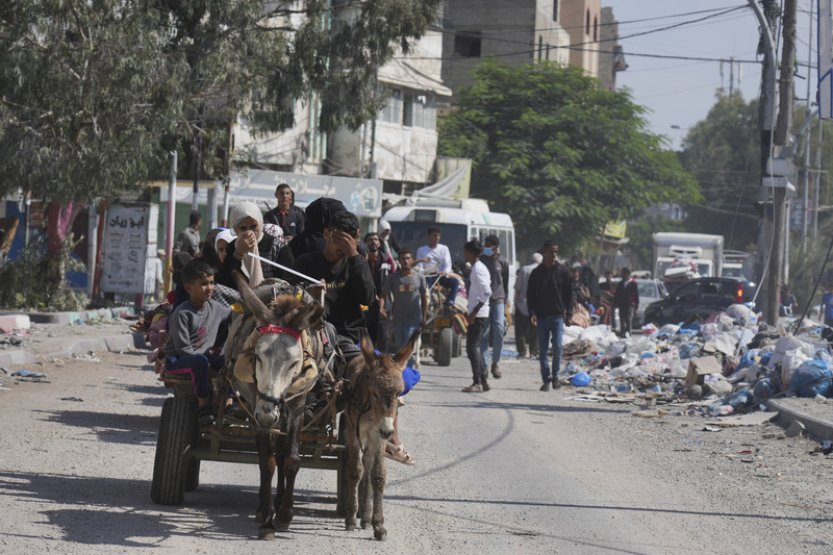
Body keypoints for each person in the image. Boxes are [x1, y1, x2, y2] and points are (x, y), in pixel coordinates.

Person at [294, 210, 375, 351]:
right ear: (326, 234)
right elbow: (293, 298)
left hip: (347, 338)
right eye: (338, 240)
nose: (342, 247)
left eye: (347, 241)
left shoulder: (357, 263)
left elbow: (368, 299)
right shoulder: (305, 263)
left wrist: (353, 255)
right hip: (310, 336)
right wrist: (309, 294)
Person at [163, 260, 231, 425]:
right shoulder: (182, 313)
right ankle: (204, 403)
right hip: (179, 360)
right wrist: (208, 368)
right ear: (188, 288)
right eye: (203, 284)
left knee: (228, 361)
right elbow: (183, 349)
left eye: (211, 283)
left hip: (205, 358)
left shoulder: (216, 307)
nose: (210, 288)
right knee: (199, 362)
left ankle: (228, 401)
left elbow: (234, 314)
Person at [527, 240, 573, 391]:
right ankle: (546, 379)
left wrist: (569, 313)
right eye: (551, 251)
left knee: (558, 347)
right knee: (543, 349)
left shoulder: (563, 271)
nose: (554, 254)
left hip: (558, 316)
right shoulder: (536, 273)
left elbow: (569, 294)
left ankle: (555, 377)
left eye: (556, 251)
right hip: (542, 317)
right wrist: (532, 312)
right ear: (544, 252)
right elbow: (530, 295)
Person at [216, 201, 295, 289]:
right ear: (236, 229)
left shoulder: (277, 248)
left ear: (260, 224)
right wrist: (238, 254)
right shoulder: (232, 247)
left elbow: (288, 282)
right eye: (243, 228)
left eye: (253, 227)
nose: (249, 232)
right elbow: (223, 280)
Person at [380, 249, 428, 367]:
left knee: (407, 350)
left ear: (412, 260)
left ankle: (408, 375)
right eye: (403, 259)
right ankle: (403, 375)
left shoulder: (420, 277)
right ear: (399, 261)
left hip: (413, 320)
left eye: (408, 258)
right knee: (400, 350)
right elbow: (383, 295)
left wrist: (424, 317)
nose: (405, 261)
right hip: (397, 320)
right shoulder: (392, 278)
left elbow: (424, 298)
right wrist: (381, 308)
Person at [462, 239, 492, 393]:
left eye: (466, 251)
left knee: (472, 348)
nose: (464, 254)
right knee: (474, 348)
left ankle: (477, 382)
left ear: (472, 252)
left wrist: (474, 311)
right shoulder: (476, 267)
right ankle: (484, 381)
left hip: (479, 313)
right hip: (477, 312)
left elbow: (487, 292)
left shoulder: (478, 268)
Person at [479, 234, 510, 379]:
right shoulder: (481, 260)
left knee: (498, 330)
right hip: (484, 301)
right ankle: (484, 365)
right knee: (483, 333)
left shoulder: (503, 261)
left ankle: (495, 362)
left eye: (488, 245)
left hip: (498, 299)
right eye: (485, 244)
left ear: (495, 246)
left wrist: (506, 304)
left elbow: (505, 283)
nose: (486, 247)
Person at [416, 227, 459, 311]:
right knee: (426, 290)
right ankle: (427, 307)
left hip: (441, 276)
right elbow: (419, 268)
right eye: (434, 235)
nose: (437, 238)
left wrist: (444, 272)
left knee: (455, 282)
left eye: (438, 236)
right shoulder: (421, 250)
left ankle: (449, 302)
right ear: (429, 236)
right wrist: (427, 272)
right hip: (428, 277)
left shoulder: (444, 249)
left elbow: (448, 265)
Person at [514, 252, 542, 358]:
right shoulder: (543, 270)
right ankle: (534, 351)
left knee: (520, 328)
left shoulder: (524, 269)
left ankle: (522, 350)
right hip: (537, 304)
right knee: (535, 328)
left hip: (523, 302)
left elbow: (518, 287)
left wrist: (516, 299)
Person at [613, 267, 639, 337]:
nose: (622, 274)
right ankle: (622, 332)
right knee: (622, 318)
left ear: (627, 274)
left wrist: (636, 305)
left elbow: (636, 295)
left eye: (623, 273)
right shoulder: (620, 284)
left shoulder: (633, 283)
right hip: (622, 304)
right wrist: (615, 303)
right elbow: (617, 294)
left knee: (628, 318)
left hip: (630, 304)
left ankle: (628, 332)